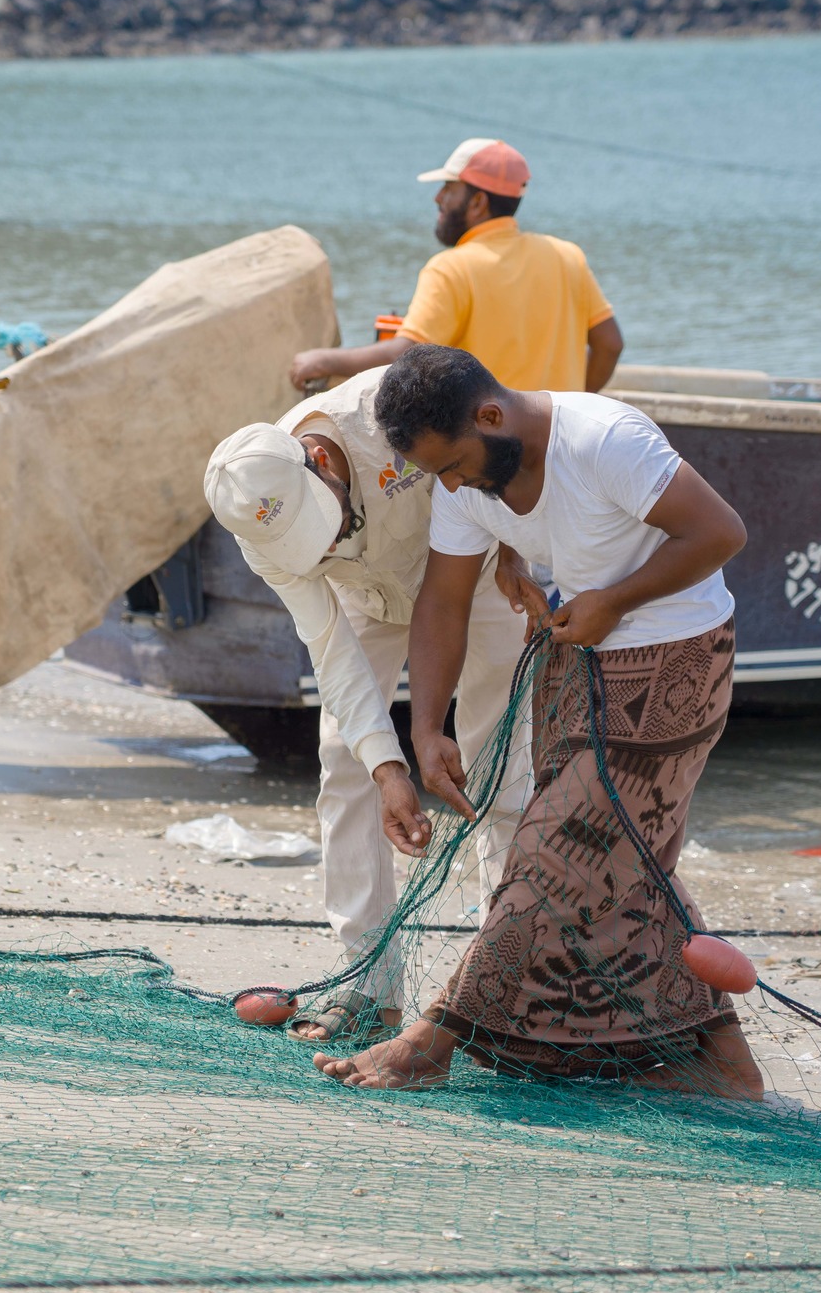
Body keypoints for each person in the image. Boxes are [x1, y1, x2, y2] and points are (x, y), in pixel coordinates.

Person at [313, 344, 763, 1099]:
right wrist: (427, 728)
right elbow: (443, 601)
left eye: (454, 464)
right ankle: (720, 1059)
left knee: (554, 854)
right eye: (437, 473)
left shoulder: (604, 439)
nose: (451, 484)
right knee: (623, 865)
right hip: (575, 664)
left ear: (491, 415)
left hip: (676, 662)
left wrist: (613, 600)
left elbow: (721, 532)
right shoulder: (463, 480)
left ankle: (433, 1039)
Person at [203, 369, 533, 1044]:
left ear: (320, 461)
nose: (324, 546)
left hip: (475, 574)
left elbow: (499, 450)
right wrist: (389, 768)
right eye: (310, 546)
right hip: (368, 597)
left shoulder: (393, 408)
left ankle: (504, 983)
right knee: (346, 761)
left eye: (323, 526)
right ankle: (369, 986)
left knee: (499, 759)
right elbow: (330, 648)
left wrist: (517, 550)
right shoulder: (254, 526)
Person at [287, 138, 624, 394]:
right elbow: (610, 344)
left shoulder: (452, 268)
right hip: (557, 445)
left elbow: (406, 355)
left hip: (489, 452)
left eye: (449, 188)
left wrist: (322, 360)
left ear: (478, 202)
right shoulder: (566, 256)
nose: (438, 198)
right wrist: (576, 400)